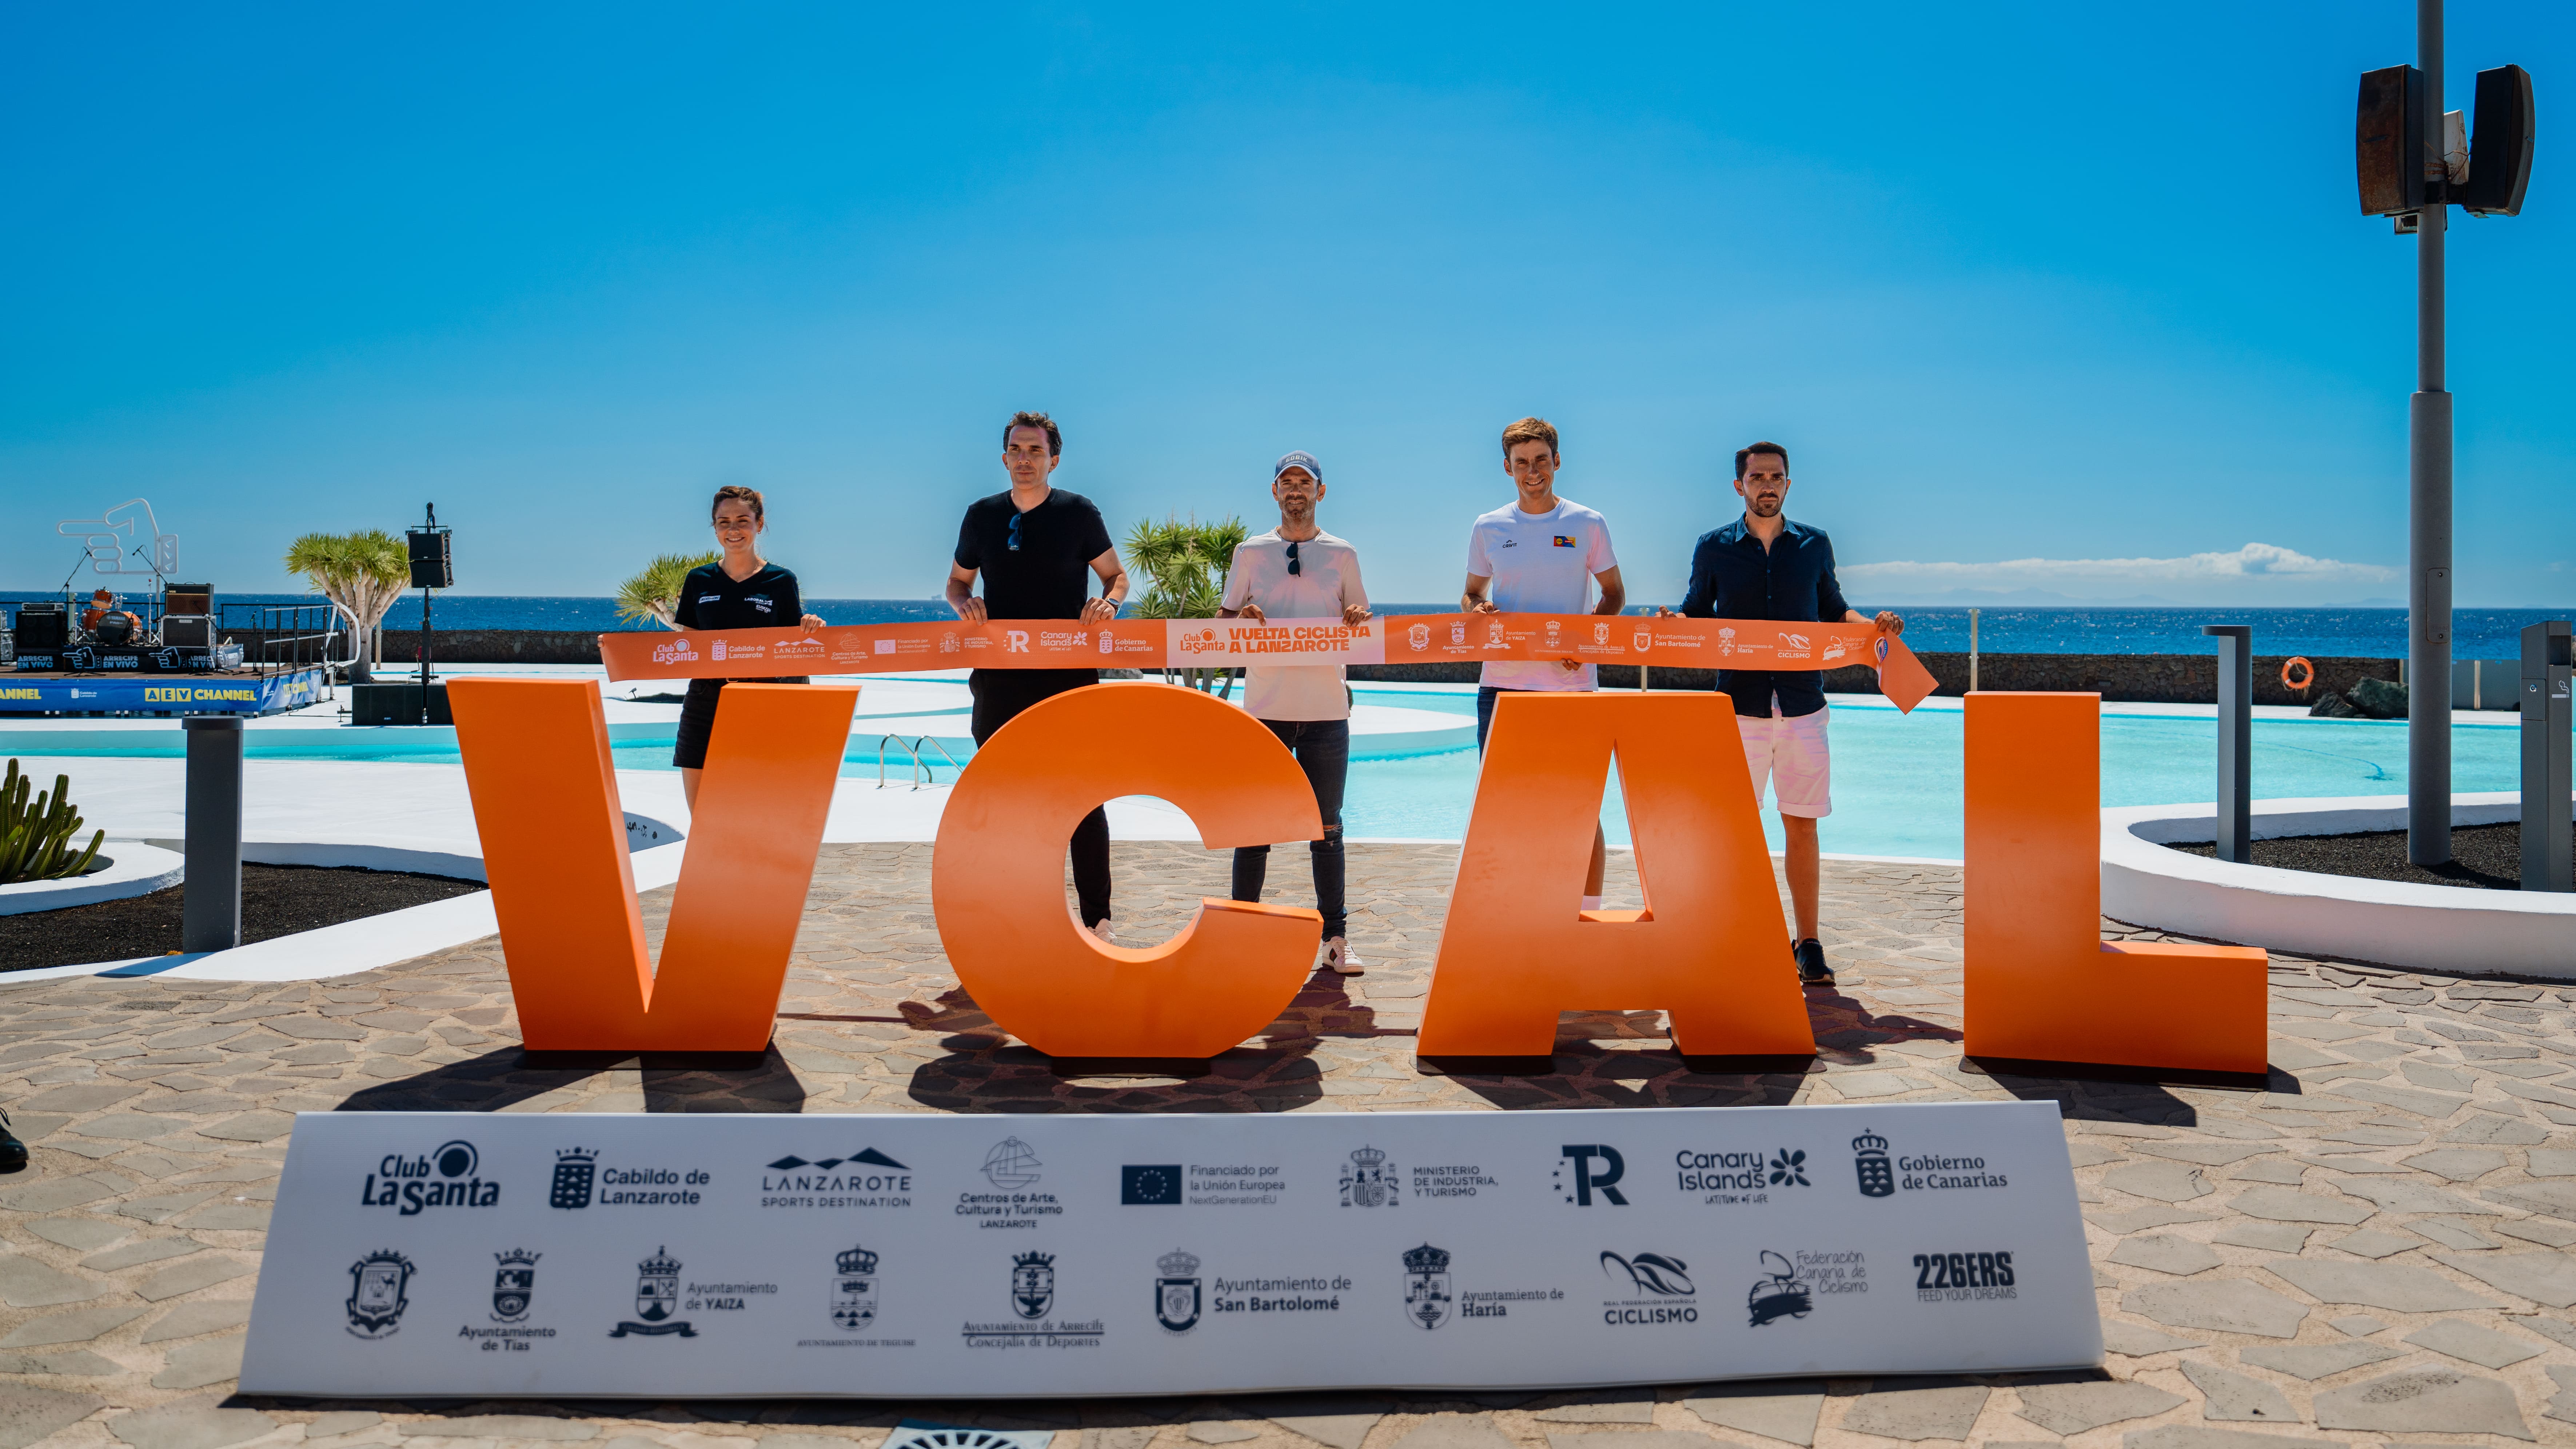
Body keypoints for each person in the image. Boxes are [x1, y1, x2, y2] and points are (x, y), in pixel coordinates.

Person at [1665, 440, 1902, 989]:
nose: (1766, 485)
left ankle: (1808, 943)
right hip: (1739, 710)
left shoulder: (1814, 544)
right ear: (1739, 486)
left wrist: (1874, 626)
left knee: (1801, 825)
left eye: (1775, 477)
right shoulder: (1713, 548)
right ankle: (1740, 930)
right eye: (1756, 478)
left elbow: (1833, 608)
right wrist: (1671, 622)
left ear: (1788, 485)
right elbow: (1696, 613)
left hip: (1802, 709)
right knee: (1736, 831)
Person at [946, 410, 1132, 942]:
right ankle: (1012, 913)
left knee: (1082, 797)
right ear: (1003, 457)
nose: (1024, 459)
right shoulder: (980, 516)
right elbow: (957, 584)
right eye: (1015, 449)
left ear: (1054, 457)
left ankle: (1098, 919)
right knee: (1003, 800)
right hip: (998, 680)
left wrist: (1109, 604)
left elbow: (1116, 576)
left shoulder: (1078, 513)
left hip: (1067, 678)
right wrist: (967, 604)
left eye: (1034, 450)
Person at [1219, 450, 1373, 974]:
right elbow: (1222, 625)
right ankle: (1241, 933)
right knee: (1253, 828)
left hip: (1327, 713)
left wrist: (1356, 617)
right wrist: (1240, 617)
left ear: (1320, 492)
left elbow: (1362, 625)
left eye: (1304, 482)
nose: (1295, 490)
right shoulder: (1250, 552)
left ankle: (1335, 939)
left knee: (1327, 831)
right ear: (1274, 492)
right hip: (1265, 710)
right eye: (1286, 482)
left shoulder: (1344, 554)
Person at [1462, 416, 1626, 910]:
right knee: (1504, 810)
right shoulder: (1488, 526)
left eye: (1540, 460)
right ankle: (1519, 910)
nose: (1531, 471)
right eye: (1521, 463)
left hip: (1570, 689)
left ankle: (1587, 914)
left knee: (1582, 809)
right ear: (1507, 469)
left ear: (1556, 461)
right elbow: (1471, 595)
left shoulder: (1588, 523)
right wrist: (1480, 611)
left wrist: (1587, 641)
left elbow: (1614, 594)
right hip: (1502, 687)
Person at [671, 485, 828, 809]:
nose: (733, 529)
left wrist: (812, 629)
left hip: (763, 703)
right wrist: (622, 652)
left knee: (757, 810)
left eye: (743, 520)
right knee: (702, 814)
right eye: (723, 521)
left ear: (759, 524)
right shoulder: (698, 580)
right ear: (714, 528)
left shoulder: (781, 581)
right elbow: (686, 645)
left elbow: (794, 652)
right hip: (705, 703)